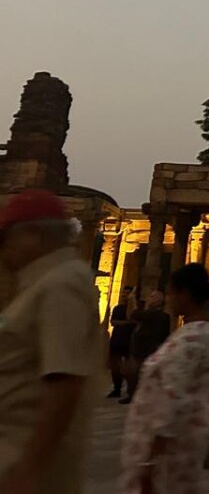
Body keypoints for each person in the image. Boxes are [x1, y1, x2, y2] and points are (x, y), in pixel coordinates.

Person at [0, 189, 104, 494]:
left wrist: (30, 468)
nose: (4, 250)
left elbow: (64, 381)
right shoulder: (41, 282)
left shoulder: (62, 284)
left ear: (34, 235)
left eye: (5, 239)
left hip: (20, 458)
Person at [118, 263, 209, 494]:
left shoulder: (192, 340)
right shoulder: (208, 333)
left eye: (171, 293)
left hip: (168, 456)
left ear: (184, 294)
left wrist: (150, 461)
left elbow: (171, 403)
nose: (168, 299)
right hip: (184, 446)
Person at [121, 290, 172, 404]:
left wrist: (132, 300)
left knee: (136, 372)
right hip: (143, 347)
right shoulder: (158, 315)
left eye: (152, 297)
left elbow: (132, 315)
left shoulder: (153, 314)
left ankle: (136, 395)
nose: (149, 298)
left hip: (146, 348)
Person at [107, 285, 136, 399]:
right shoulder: (118, 308)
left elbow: (134, 321)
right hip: (117, 340)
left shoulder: (135, 309)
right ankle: (116, 389)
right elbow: (113, 322)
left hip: (129, 341)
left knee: (129, 368)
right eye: (123, 293)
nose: (125, 295)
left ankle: (130, 391)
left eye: (127, 293)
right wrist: (127, 323)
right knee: (115, 367)